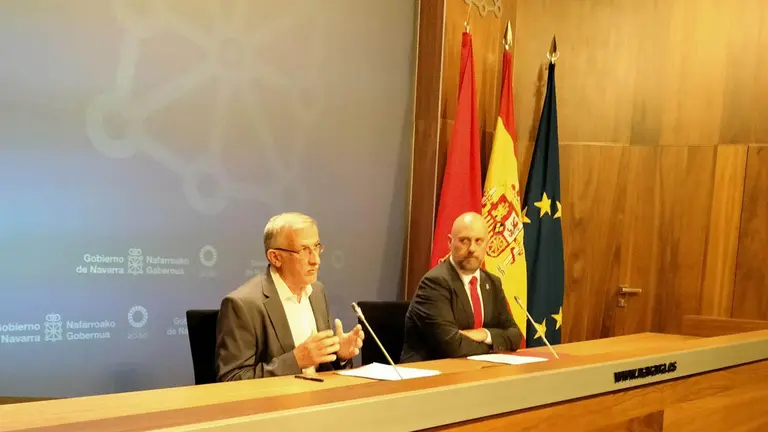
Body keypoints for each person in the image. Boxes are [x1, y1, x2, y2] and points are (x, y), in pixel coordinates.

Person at [215, 212, 364, 380]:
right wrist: (296, 360)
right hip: (277, 403)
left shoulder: (317, 291)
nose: (316, 260)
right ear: (276, 257)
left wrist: (340, 355)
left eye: (316, 247)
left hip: (320, 400)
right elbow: (231, 378)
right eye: (304, 250)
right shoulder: (243, 305)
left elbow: (322, 367)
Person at [400, 212, 522, 363]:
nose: (472, 248)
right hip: (429, 376)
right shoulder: (434, 283)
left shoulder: (492, 282)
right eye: (464, 241)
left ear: (487, 244)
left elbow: (515, 335)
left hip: (473, 373)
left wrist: (484, 334)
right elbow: (453, 347)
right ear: (450, 242)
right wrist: (494, 347)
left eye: (479, 241)